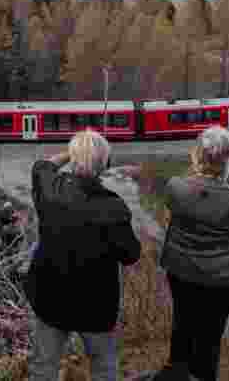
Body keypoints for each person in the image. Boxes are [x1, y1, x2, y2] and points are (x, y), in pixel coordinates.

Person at [24, 129, 141, 381]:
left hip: (50, 297)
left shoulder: (51, 189)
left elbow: (42, 165)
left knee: (43, 367)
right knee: (103, 368)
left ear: (73, 159)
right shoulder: (114, 207)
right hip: (96, 305)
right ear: (105, 165)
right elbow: (131, 255)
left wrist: (75, 152)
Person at [154, 125, 229, 381]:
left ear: (196, 155)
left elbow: (184, 199)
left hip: (182, 272)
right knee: (210, 337)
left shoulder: (175, 188)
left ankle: (178, 371)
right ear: (228, 159)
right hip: (222, 279)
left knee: (182, 326)